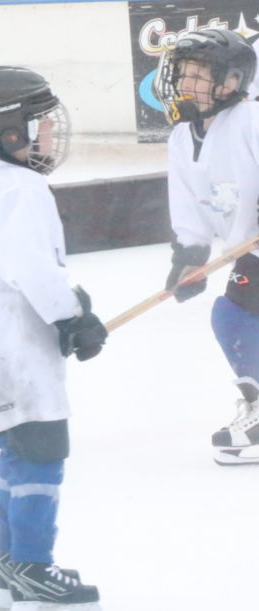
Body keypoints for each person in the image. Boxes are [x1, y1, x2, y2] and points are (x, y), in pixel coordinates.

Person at [0, 66, 107, 609]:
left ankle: (11, 563)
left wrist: (70, 307)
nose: (50, 133)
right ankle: (34, 565)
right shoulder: (20, 188)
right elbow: (26, 265)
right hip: (16, 354)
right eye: (39, 124)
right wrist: (71, 318)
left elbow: (25, 266)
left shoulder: (0, 184)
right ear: (10, 132)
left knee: (18, 456)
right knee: (41, 454)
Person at [153, 28, 259, 465]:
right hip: (250, 249)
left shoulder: (250, 121)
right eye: (183, 72)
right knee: (233, 314)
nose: (185, 82)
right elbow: (191, 209)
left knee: (232, 314)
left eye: (198, 73)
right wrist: (190, 257)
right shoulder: (182, 137)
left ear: (230, 83)